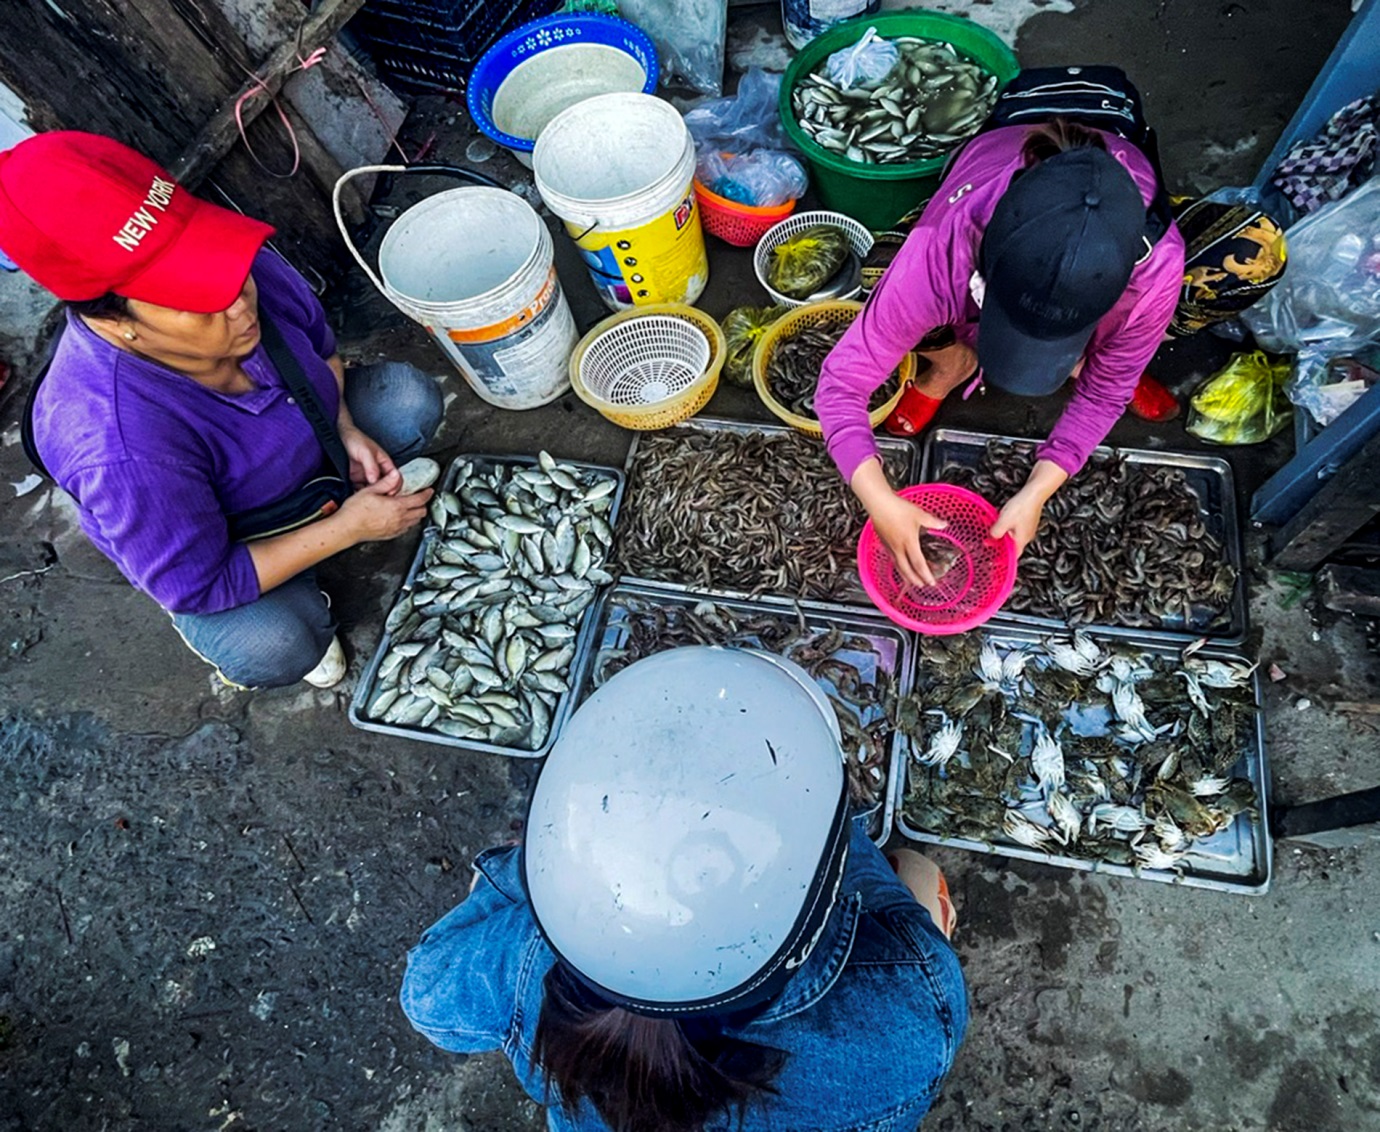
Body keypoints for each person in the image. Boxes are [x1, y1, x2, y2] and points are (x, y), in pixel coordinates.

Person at [401, 647, 967, 1132]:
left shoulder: (524, 959)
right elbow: (841, 860)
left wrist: (511, 888)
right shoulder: (909, 998)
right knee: (915, 873)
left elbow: (426, 1001)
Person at [0, 131, 443, 689]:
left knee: (408, 403)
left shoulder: (245, 277)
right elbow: (200, 583)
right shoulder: (118, 447)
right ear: (116, 323)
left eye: (219, 262)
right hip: (223, 539)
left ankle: (322, 509)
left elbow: (321, 345)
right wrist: (349, 530)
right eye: (195, 296)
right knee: (276, 645)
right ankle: (264, 605)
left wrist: (344, 427)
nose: (239, 303)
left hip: (307, 454)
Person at [816, 68, 1286, 591]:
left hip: (1123, 238)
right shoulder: (944, 246)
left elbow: (1104, 396)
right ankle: (954, 361)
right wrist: (879, 500)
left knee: (1253, 254)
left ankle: (1110, 353)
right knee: (881, 269)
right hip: (983, 210)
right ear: (984, 270)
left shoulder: (1155, 268)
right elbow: (840, 384)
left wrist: (1039, 488)